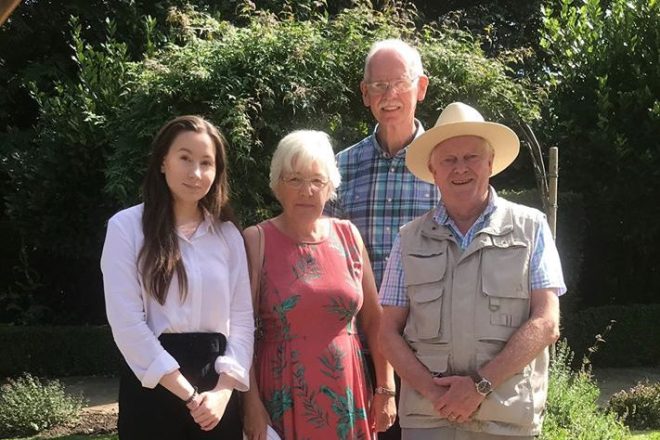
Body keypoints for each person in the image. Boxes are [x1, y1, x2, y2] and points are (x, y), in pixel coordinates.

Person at [378, 102, 566, 440]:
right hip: (429, 420)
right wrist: (436, 394)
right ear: (433, 170)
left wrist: (479, 386)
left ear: (490, 164)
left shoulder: (532, 227)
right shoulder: (407, 239)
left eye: (471, 157)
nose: (460, 168)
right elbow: (387, 333)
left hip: (506, 420)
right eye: (449, 160)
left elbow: (547, 322)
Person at [101, 115, 254, 439]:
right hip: (154, 386)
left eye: (206, 163)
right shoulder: (126, 228)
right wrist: (188, 394)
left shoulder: (227, 235)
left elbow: (241, 320)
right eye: (185, 158)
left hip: (217, 394)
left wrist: (223, 392)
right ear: (162, 162)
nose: (196, 173)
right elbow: (126, 323)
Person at [241, 130, 396, 440]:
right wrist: (250, 405)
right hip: (283, 393)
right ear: (277, 185)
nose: (307, 190)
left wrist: (386, 387)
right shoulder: (256, 240)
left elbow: (375, 319)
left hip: (348, 390)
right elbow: (239, 329)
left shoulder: (349, 235)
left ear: (330, 187)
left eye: (317, 180)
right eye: (295, 179)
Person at [324, 38, 441, 440]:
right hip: (360, 352)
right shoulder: (340, 168)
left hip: (432, 353)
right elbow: (324, 258)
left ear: (421, 88)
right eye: (378, 85)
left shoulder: (446, 166)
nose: (389, 95)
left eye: (400, 83)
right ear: (364, 93)